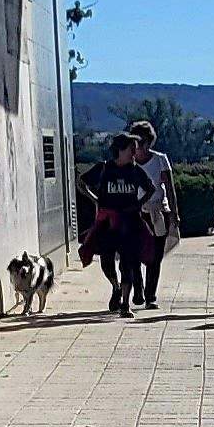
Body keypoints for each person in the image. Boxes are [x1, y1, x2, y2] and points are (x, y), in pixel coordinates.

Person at [76, 133, 161, 317]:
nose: (134, 153)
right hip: (107, 222)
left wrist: (138, 203)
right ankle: (115, 286)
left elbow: (151, 188)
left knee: (128, 263)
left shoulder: (135, 171)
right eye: (131, 149)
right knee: (106, 261)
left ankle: (125, 303)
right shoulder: (104, 168)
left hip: (129, 222)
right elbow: (82, 182)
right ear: (120, 150)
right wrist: (95, 200)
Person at [121, 119, 176, 309]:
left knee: (155, 256)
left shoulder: (160, 159)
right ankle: (138, 289)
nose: (141, 147)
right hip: (135, 213)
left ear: (150, 142)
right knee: (134, 254)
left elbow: (169, 187)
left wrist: (175, 214)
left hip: (158, 211)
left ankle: (150, 295)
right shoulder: (128, 163)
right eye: (137, 142)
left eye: (144, 142)